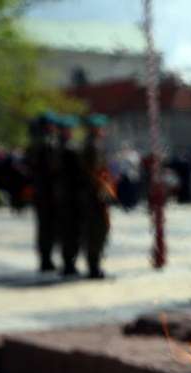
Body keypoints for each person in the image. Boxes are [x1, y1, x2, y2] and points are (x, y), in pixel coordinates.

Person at [26, 112, 59, 272]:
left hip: (41, 191)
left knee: (44, 227)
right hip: (49, 191)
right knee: (48, 227)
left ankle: (45, 258)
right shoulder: (47, 144)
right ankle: (46, 260)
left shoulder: (34, 144)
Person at [81, 114, 112, 279]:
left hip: (95, 193)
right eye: (101, 128)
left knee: (98, 230)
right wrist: (103, 189)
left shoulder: (93, 144)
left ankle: (95, 265)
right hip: (94, 195)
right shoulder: (93, 146)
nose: (103, 131)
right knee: (96, 230)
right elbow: (95, 173)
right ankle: (94, 267)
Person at [55, 115, 85, 276]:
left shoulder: (57, 146)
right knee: (70, 231)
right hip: (69, 196)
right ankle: (69, 264)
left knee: (66, 231)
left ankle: (68, 262)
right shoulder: (68, 148)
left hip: (62, 195)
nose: (70, 132)